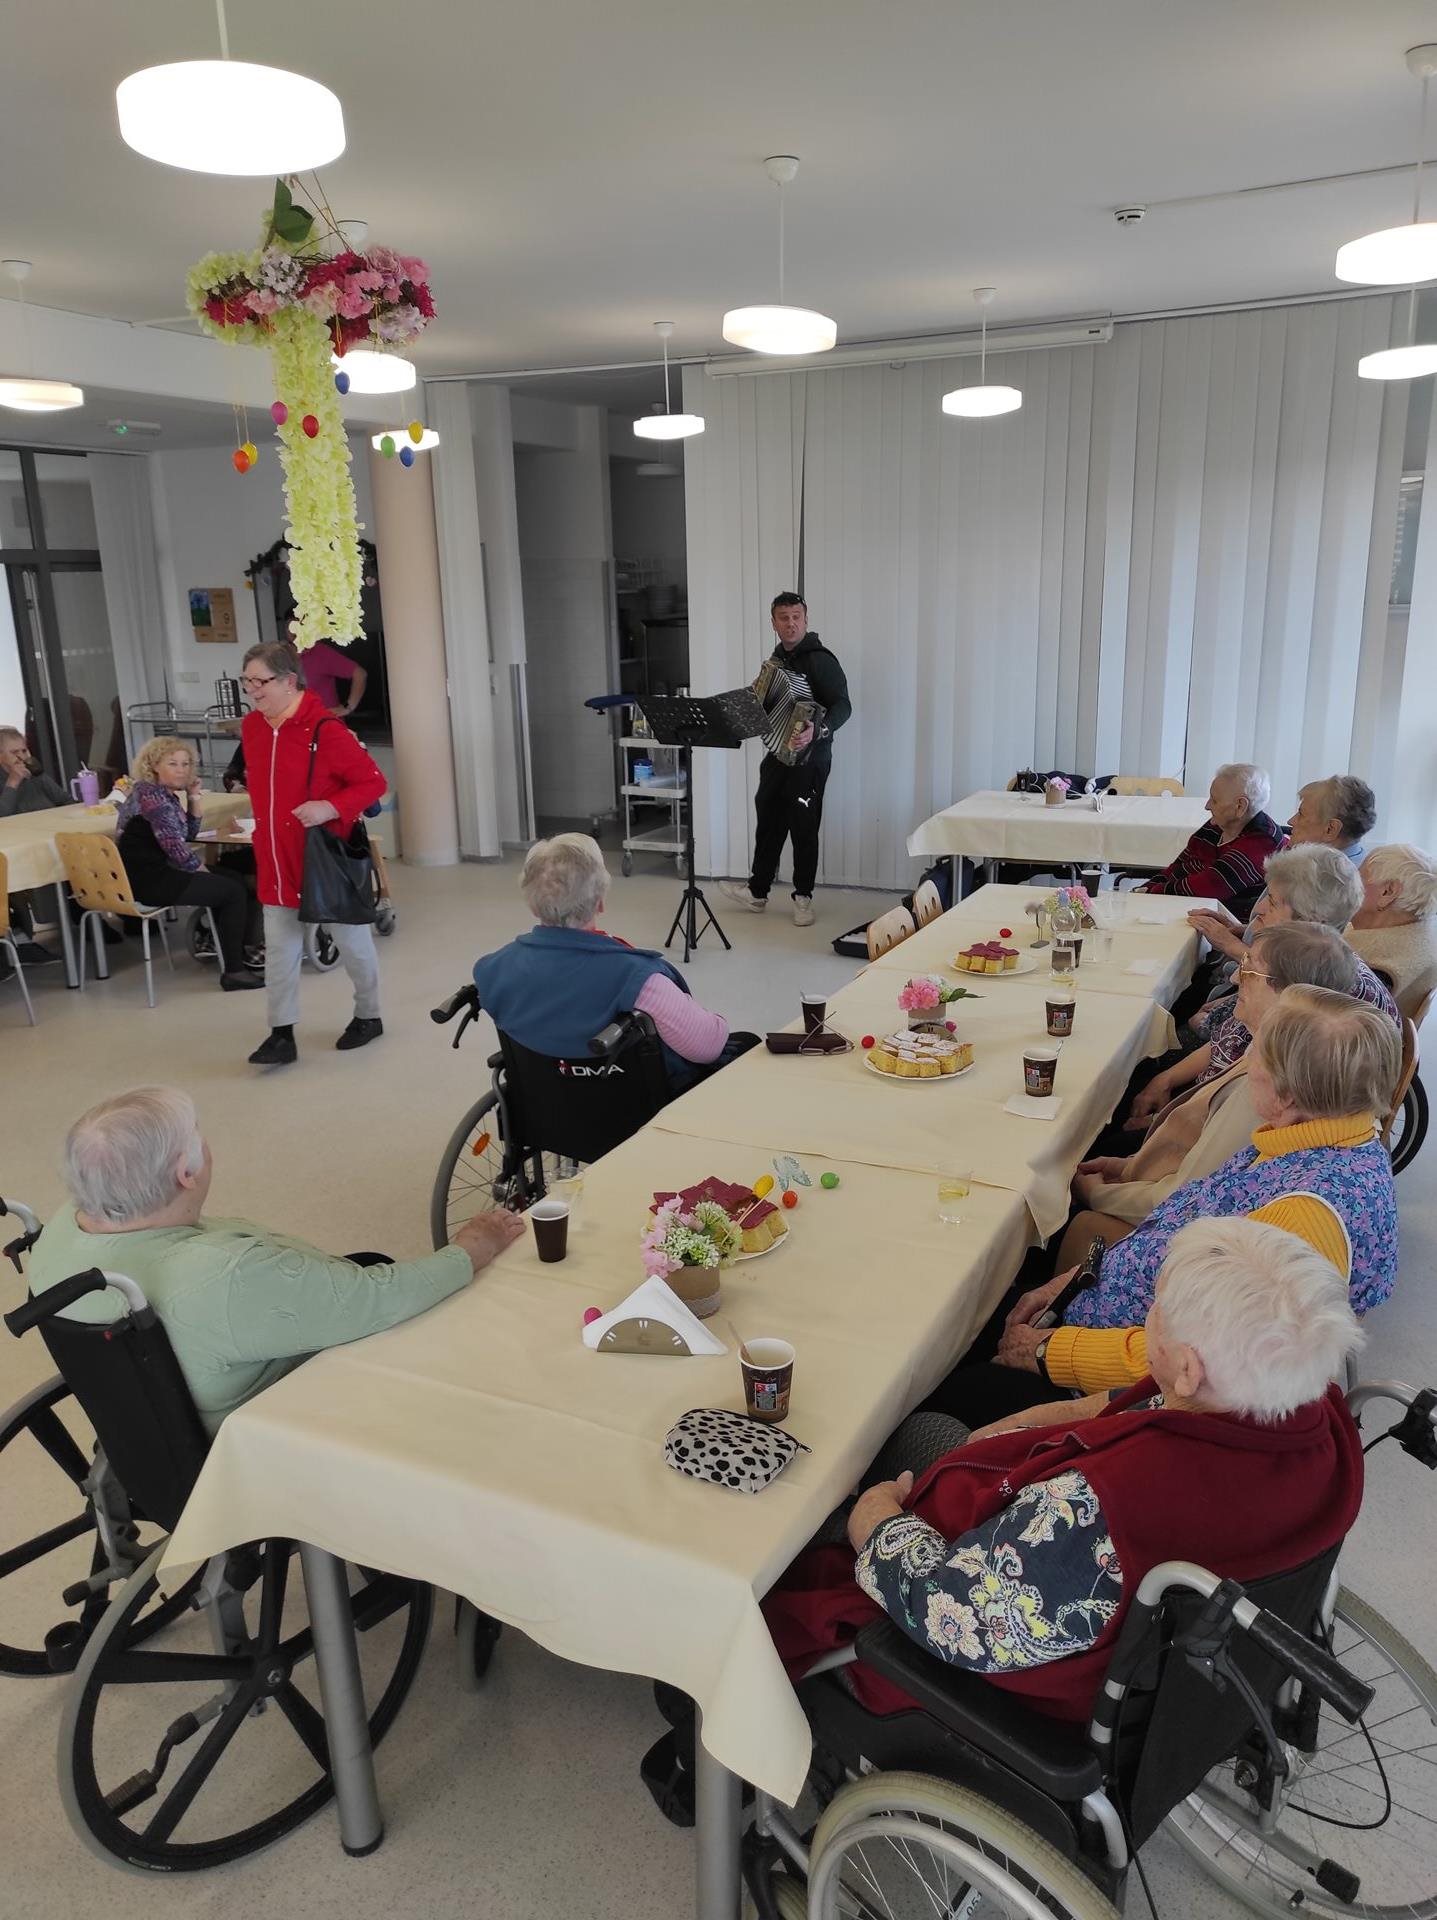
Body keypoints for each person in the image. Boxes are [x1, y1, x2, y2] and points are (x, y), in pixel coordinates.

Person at [761, 1219, 1362, 1724]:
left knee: (798, 1532)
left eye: (1158, 1310)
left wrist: (877, 1525)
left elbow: (954, 1616)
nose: (1147, 1314)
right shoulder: (1311, 1415)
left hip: (984, 1673)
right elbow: (1124, 1406)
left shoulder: (1101, 1512)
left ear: (1188, 1368)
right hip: (1138, 1618)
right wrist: (1012, 1430)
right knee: (922, 1431)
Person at [973, 988, 1401, 1410]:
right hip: (1099, 1310)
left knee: (965, 1372)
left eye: (1256, 1051)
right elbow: (1170, 1229)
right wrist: (1065, 1283)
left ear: (1286, 1094)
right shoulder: (1314, 1142)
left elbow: (1198, 1366)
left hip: (1122, 1392)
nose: (1244, 1060)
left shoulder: (1301, 1218)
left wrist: (1047, 1352)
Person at [30, 1087, 523, 1433]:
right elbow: (379, 1300)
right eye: (197, 1136)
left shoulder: (61, 1231)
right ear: (187, 1172)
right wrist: (470, 1249)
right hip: (267, 1432)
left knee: (367, 1261)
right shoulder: (226, 1275)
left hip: (152, 1427)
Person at [1071, 924, 1359, 1232]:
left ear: (1290, 995)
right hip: (1154, 1186)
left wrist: (1096, 1195)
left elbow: (1184, 1200)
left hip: (1166, 1229)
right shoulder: (1275, 1050)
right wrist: (1129, 1167)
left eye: (1249, 970)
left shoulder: (1269, 1087)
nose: (1235, 978)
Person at [1129, 843, 1395, 1127]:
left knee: (1134, 1069)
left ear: (1311, 919)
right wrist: (1166, 1080)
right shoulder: (1317, 956)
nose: (1259, 909)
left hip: (1245, 1120)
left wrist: (1160, 1120)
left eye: (1274, 902)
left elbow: (1239, 1100)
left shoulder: (1312, 990)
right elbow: (1231, 1039)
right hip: (1221, 1098)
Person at [473, 833, 758, 1093]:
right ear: (599, 901)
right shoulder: (637, 978)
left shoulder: (492, 969)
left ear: (533, 903)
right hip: (632, 1108)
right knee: (747, 1044)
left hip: (544, 1103)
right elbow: (707, 1047)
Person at [238, 640, 386, 1067]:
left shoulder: (326, 729)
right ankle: (281, 1033)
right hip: (275, 856)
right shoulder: (253, 727)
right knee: (279, 949)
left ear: (289, 681)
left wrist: (330, 807)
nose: (252, 690)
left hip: (324, 857)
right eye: (247, 681)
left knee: (351, 942)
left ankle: (369, 1014)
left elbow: (373, 784)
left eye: (261, 681)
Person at [1183, 774, 1376, 1012]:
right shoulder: (1314, 865)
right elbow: (1289, 929)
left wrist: (1227, 942)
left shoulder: (1332, 883)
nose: (1291, 820)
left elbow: (1291, 972)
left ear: (1330, 829)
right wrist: (1243, 929)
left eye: (1301, 814)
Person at [721, 592, 851, 929]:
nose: (791, 623)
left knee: (803, 826)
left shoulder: (821, 660)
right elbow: (763, 704)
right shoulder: (776, 661)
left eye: (796, 617)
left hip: (812, 758)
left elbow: (843, 705)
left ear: (806, 620)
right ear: (774, 623)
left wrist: (818, 729)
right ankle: (757, 891)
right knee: (768, 820)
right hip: (778, 754)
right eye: (784, 617)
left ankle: (803, 897)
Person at [115, 736, 262, 992]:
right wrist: (202, 871)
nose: (181, 770)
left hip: (152, 871)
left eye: (186, 764)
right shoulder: (154, 799)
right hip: (150, 880)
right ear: (154, 766)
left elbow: (187, 834)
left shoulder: (155, 792)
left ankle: (229, 949)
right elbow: (176, 847)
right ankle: (234, 971)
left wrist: (193, 797)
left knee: (234, 879)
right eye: (172, 764)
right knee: (232, 890)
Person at [1137, 763, 1285, 913]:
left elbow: (1209, 887)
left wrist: (1153, 892)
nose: (1207, 806)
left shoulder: (1263, 841)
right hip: (1190, 907)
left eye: (1214, 800)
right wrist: (1147, 889)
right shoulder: (1217, 825)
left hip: (1228, 918)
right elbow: (1179, 865)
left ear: (1240, 806)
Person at [0, 725, 66, 968]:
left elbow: (64, 800)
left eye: (24, 751)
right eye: (14, 752)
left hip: (51, 841)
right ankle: (23, 942)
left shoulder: (37, 775)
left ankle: (86, 920)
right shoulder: (8, 780)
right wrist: (13, 782)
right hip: (15, 851)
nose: (21, 757)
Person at [1347, 843, 1437, 1019]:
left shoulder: (1377, 968)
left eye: (1357, 877)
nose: (1347, 884)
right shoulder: (1421, 932)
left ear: (1387, 892)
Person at [288, 634, 368, 723]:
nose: (293, 632)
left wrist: (348, 707)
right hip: (297, 725)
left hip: (326, 725)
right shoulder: (283, 656)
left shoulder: (319, 652)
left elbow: (360, 674)